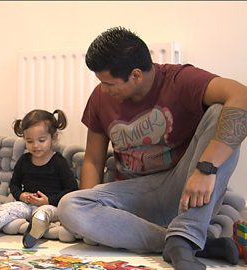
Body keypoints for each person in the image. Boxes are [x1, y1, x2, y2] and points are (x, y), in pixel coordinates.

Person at [58, 26, 247, 270]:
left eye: (109, 83)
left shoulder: (179, 79)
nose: (104, 89)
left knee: (222, 111)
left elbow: (242, 96)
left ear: (136, 75)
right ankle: (188, 243)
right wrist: (91, 218)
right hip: (133, 196)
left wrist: (206, 169)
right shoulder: (99, 98)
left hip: (185, 192)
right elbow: (93, 160)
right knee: (70, 206)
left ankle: (186, 232)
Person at [0, 109, 79, 248]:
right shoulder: (24, 160)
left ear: (53, 137)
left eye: (41, 140)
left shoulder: (58, 161)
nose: (35, 145)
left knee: (43, 213)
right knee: (6, 209)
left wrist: (49, 200)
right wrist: (21, 195)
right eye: (29, 141)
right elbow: (14, 185)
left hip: (51, 206)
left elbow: (72, 189)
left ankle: (33, 233)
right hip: (27, 205)